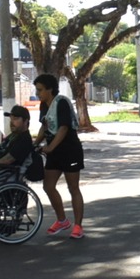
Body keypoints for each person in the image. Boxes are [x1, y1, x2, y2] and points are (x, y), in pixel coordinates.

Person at [34, 73, 85, 239]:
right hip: (54, 152)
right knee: (48, 186)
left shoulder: (61, 102)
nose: (38, 93)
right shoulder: (43, 105)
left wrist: (50, 147)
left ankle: (78, 226)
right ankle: (62, 220)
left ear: (50, 89)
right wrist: (35, 143)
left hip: (70, 150)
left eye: (40, 90)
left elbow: (63, 128)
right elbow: (44, 126)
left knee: (73, 188)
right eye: (37, 90)